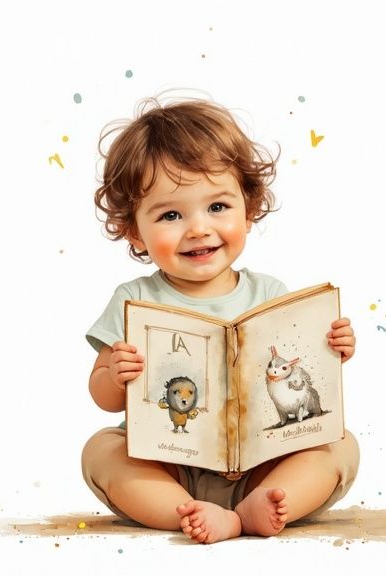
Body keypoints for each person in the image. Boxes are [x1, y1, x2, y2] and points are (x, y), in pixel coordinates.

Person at [81, 96, 359, 544]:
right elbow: (102, 396)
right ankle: (185, 511)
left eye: (217, 207)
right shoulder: (134, 299)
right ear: (134, 231)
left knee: (339, 444)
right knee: (101, 451)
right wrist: (114, 375)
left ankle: (263, 502)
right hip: (165, 463)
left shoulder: (269, 294)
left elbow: (301, 372)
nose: (198, 229)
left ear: (248, 208)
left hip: (262, 461)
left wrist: (332, 349)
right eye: (171, 215)